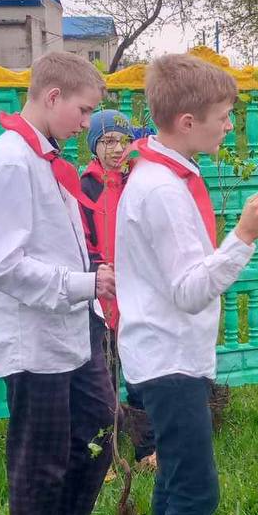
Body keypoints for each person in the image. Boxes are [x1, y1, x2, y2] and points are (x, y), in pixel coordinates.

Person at [115, 53, 258, 515]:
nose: (229, 126)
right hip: (168, 361)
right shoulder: (161, 192)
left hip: (165, 353)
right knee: (195, 489)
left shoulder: (166, 175)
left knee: (178, 479)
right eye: (223, 116)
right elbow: (188, 290)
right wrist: (243, 237)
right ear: (187, 121)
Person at [0, 52, 117, 515]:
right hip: (34, 336)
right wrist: (82, 284)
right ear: (53, 96)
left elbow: (55, 241)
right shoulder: (10, 162)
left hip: (73, 322)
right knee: (41, 449)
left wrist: (90, 280)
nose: (87, 124)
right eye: (84, 111)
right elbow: (1, 265)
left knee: (100, 421)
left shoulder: (45, 158)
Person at [79, 109, 156, 471]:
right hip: (103, 294)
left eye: (123, 141)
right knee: (103, 379)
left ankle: (147, 450)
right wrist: (98, 270)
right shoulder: (86, 187)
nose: (115, 149)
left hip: (137, 293)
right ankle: (103, 455)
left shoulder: (137, 181)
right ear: (94, 146)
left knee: (141, 374)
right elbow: (82, 238)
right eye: (107, 141)